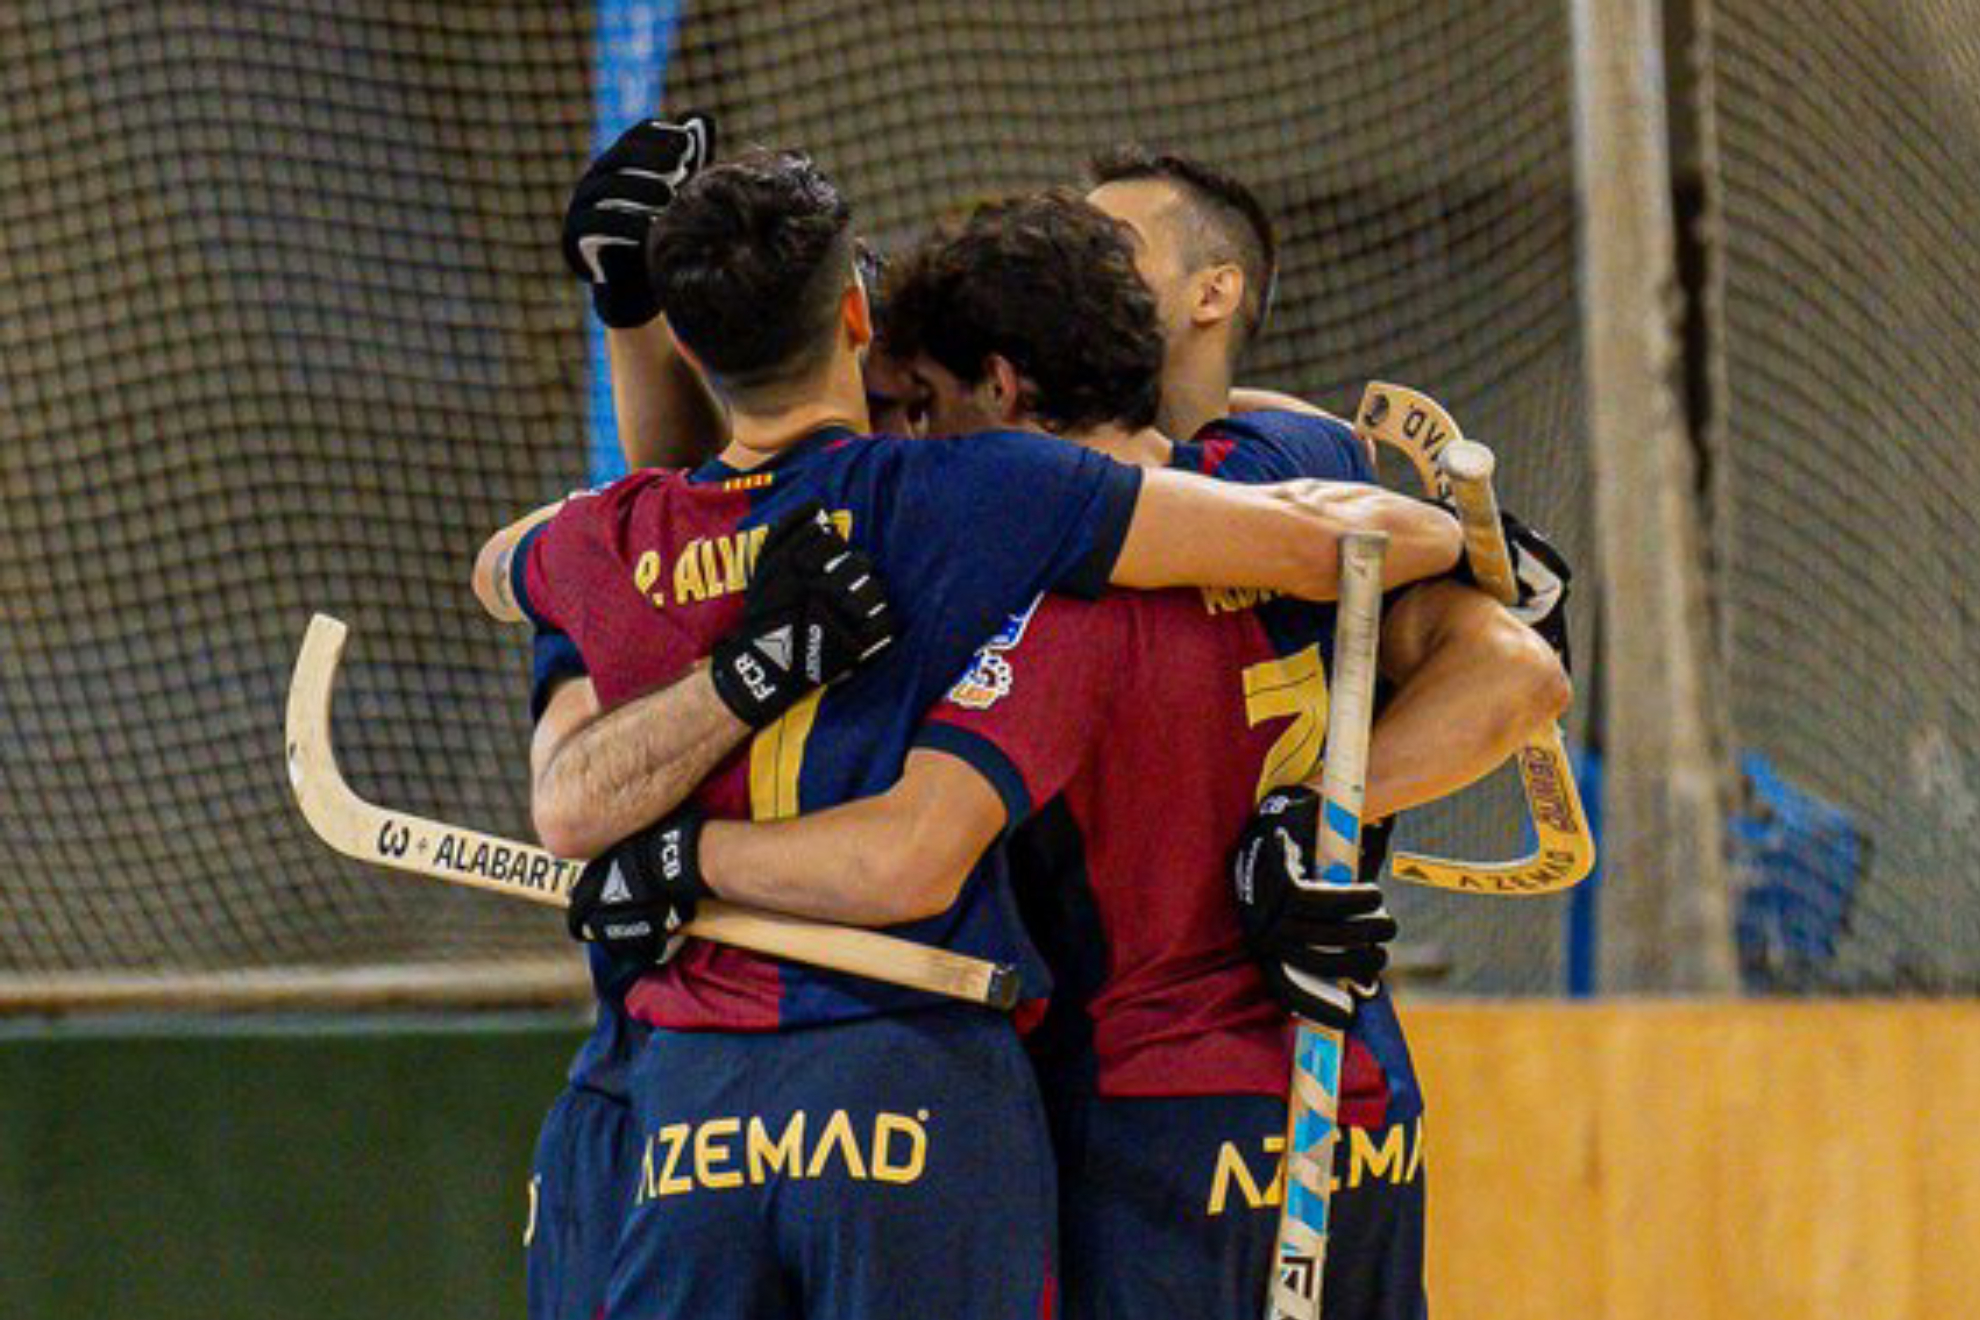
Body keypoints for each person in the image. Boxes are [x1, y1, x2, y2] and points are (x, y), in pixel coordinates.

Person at [503, 152, 1462, 1319]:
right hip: (976, 1077)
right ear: (852, 316)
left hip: (699, 1101)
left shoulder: (602, 538)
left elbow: (513, 586)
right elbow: (1369, 560)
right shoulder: (991, 500)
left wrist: (629, 330)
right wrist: (1468, 542)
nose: (915, 424)